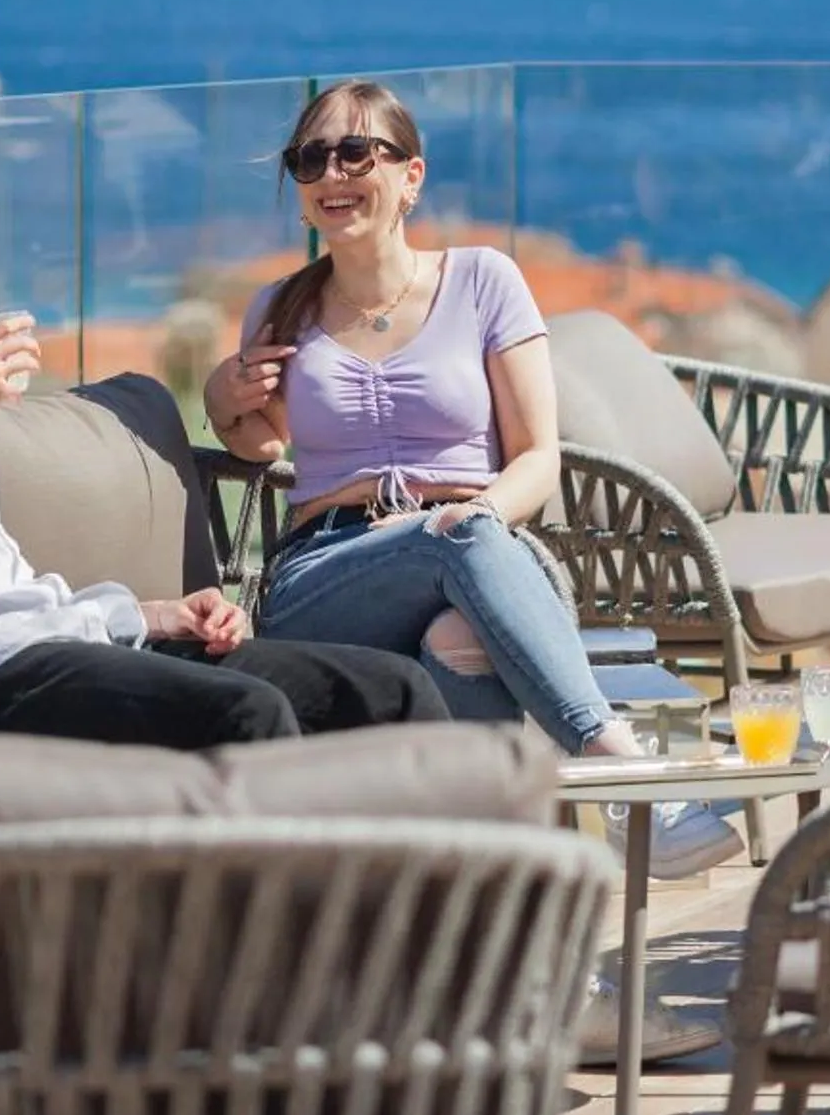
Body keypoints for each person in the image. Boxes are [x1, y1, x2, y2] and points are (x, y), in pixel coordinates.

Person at [0, 138, 446, 752]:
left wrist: (160, 613)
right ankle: (275, 917)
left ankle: (450, 908)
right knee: (246, 713)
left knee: (390, 690)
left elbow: (1, 585)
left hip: (51, 641)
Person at [204, 79, 744, 882]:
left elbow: (538, 457)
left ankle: (505, 908)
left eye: (355, 151)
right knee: (455, 544)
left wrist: (469, 516)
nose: (331, 174)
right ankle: (632, 786)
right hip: (329, 571)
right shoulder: (280, 307)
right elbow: (257, 442)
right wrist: (223, 397)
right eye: (310, 158)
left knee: (457, 633)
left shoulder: (485, 281)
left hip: (481, 548)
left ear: (410, 176)